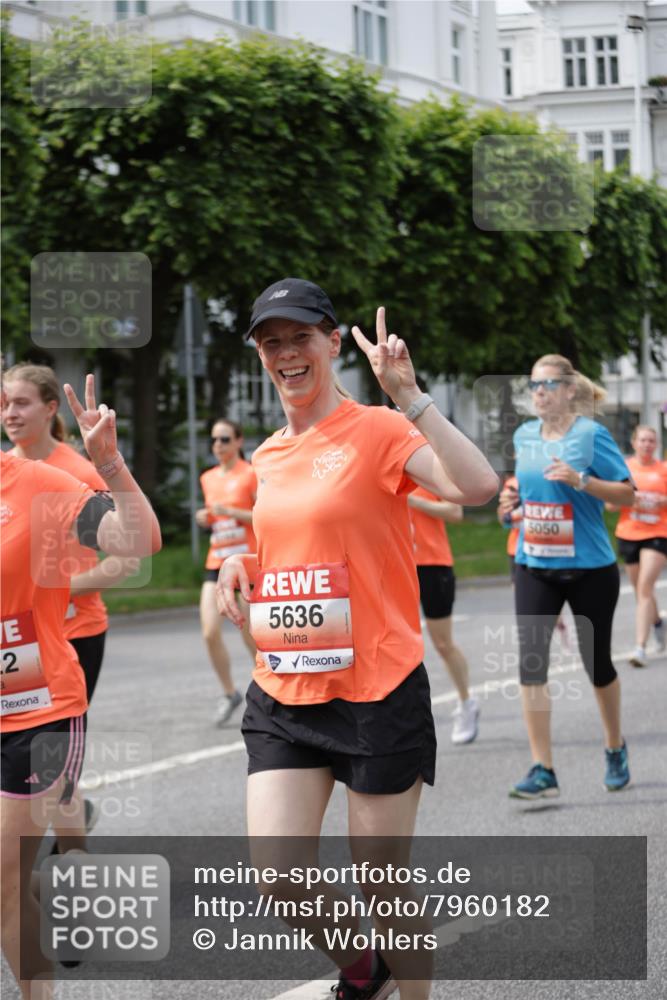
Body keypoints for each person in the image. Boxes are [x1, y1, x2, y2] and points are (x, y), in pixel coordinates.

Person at [216, 277, 498, 1000]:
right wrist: (242, 564)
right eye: (270, 342)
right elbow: (292, 543)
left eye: (300, 337)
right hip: (287, 686)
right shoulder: (270, 455)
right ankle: (364, 971)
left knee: (381, 883)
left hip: (375, 688)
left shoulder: (377, 428)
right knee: (279, 876)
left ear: (332, 343)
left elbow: (475, 486)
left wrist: (409, 396)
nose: (285, 353)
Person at [1, 373, 161, 999]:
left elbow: (139, 542)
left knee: (7, 879)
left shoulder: (39, 481)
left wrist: (111, 465)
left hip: (37, 709)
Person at [2, 363, 140, 849]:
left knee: (49, 756)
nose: (11, 413)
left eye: (21, 402)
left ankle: (72, 853)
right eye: (6, 402)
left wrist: (59, 589)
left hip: (73, 630)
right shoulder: (9, 471)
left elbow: (126, 560)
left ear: (50, 409)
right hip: (18, 636)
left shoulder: (72, 471)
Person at [508, 356, 634, 801]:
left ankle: (615, 747)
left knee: (597, 665)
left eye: (548, 384)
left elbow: (627, 494)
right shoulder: (523, 435)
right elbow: (522, 490)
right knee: (531, 666)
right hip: (535, 563)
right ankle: (543, 768)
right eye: (534, 385)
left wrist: (581, 480)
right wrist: (511, 507)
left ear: (568, 390)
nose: (539, 392)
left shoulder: (591, 434)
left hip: (590, 568)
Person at [195, 418, 257, 725]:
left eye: (224, 439)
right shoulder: (207, 478)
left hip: (246, 561)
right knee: (209, 630)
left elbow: (266, 515)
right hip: (216, 562)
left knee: (249, 631)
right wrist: (204, 519)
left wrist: (232, 512)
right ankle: (229, 692)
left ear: (239, 441)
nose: (217, 445)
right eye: (214, 440)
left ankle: (272, 687)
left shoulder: (251, 474)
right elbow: (212, 517)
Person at [408, 486, 479, 744]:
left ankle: (466, 702)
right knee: (396, 642)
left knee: (442, 643)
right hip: (397, 565)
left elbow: (455, 512)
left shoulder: (428, 467)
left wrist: (411, 500)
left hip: (433, 565)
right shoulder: (383, 469)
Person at [608, 424, 667, 668]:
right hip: (629, 533)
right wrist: (631, 501)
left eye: (651, 441)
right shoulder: (624, 469)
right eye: (642, 440)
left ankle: (640, 647)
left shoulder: (664, 470)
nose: (647, 445)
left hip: (658, 533)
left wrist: (661, 501)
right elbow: (610, 505)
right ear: (634, 443)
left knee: (644, 587)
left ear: (656, 445)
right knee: (640, 589)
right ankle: (658, 624)